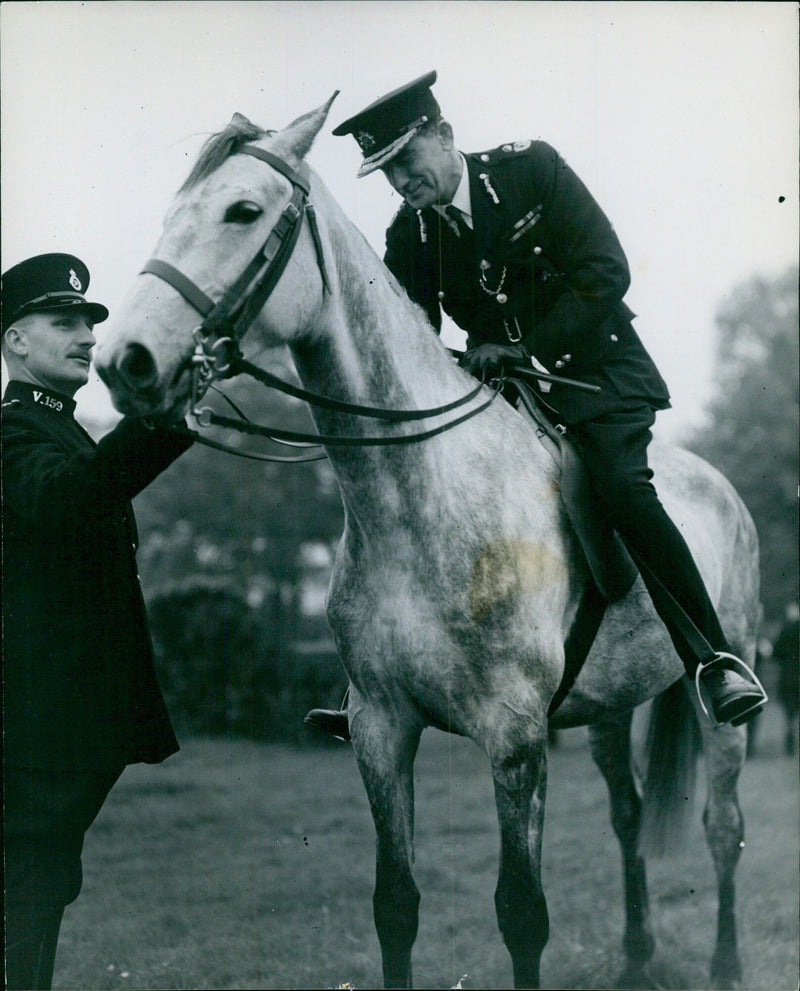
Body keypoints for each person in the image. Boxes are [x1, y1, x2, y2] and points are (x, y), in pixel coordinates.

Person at [305, 70, 766, 741]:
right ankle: (373, 677)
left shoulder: (531, 171)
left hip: (598, 378)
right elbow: (411, 338)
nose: (402, 182)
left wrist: (523, 346)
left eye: (407, 160)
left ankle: (712, 657)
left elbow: (607, 269)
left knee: (619, 486)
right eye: (386, 172)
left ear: (444, 136)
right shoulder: (412, 234)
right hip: (506, 395)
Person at [2, 253, 196, 990]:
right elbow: (66, 498)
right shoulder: (14, 432)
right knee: (26, 893)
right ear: (16, 341)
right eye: (64, 322)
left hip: (59, 726)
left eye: (89, 322)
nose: (86, 336)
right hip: (34, 728)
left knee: (39, 889)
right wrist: (162, 419)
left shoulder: (64, 431)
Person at [772, 602, 799, 756]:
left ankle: (790, 736)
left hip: (788, 677)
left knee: (789, 712)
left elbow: (776, 652)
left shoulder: (785, 630)